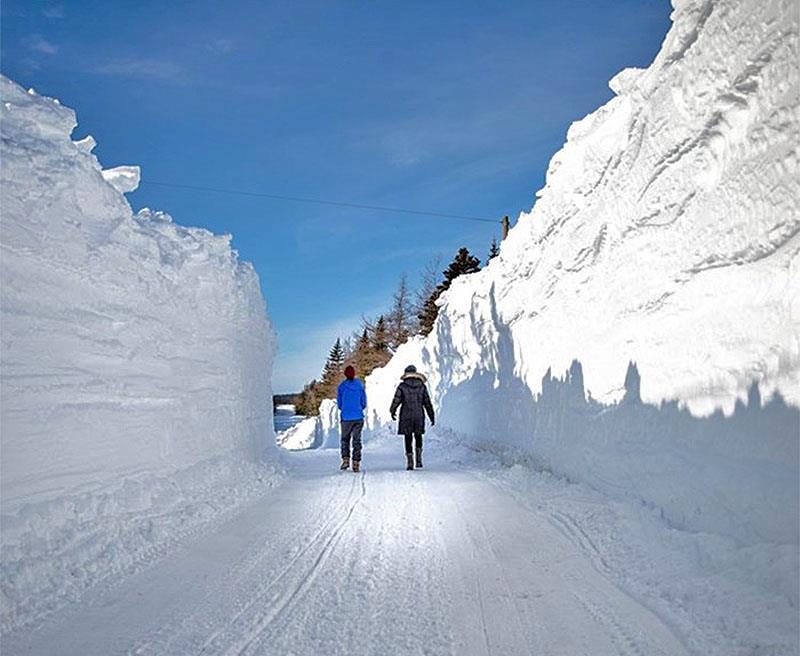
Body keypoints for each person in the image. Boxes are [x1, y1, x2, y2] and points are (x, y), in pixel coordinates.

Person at [390, 365, 435, 470]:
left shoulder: (402, 386)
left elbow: (396, 400)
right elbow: (427, 402)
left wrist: (392, 410)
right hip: (419, 415)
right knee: (418, 436)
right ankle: (419, 460)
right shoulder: (422, 386)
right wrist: (431, 415)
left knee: (408, 437)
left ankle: (410, 462)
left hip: (406, 415)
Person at [337, 364, 367, 472]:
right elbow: (364, 402)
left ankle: (345, 460)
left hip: (346, 417)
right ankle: (356, 462)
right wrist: (358, 408)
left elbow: (339, 404)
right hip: (358, 417)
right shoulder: (359, 385)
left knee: (345, 439)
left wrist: (346, 408)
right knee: (357, 440)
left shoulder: (341, 387)